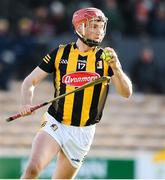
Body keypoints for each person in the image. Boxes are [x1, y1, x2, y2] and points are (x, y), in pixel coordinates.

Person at [20, 7, 132, 179]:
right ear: (80, 27)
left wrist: (116, 69)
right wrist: (26, 103)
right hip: (55, 122)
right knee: (33, 168)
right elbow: (30, 81)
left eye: (101, 27)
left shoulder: (106, 57)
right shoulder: (60, 53)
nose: (99, 31)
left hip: (83, 132)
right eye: (93, 26)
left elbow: (126, 93)